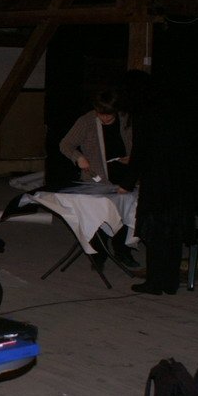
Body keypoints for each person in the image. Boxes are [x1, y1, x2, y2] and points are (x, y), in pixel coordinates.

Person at [121, 71, 197, 295]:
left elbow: (140, 151)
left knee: (155, 234)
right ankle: (170, 282)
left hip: (158, 182)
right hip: (180, 180)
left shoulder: (145, 113)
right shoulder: (174, 108)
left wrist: (127, 182)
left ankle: (154, 282)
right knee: (173, 234)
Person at [58, 90, 139, 267]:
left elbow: (136, 144)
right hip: (96, 179)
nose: (105, 118)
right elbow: (65, 144)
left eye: (109, 114)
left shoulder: (126, 119)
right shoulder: (86, 121)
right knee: (99, 216)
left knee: (125, 213)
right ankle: (98, 255)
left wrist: (131, 158)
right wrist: (78, 157)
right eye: (101, 114)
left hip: (123, 177)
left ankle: (122, 251)